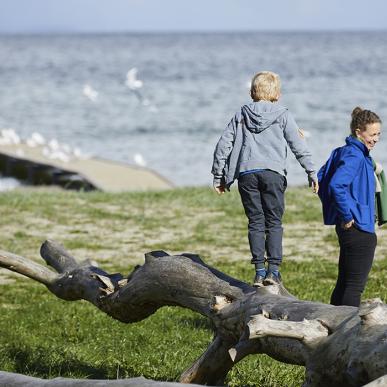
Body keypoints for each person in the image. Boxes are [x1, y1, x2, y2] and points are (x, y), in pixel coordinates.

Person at [211, 71, 318, 287]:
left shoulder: (241, 114)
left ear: (252, 92)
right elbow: (298, 145)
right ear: (277, 94)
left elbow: (224, 144)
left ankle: (259, 272)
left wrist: (218, 175)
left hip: (247, 174)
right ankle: (273, 271)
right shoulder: (283, 115)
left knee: (256, 222)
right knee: (274, 222)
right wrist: (311, 172)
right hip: (273, 174)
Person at [318, 107, 382, 307]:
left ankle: (333, 327)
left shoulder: (342, 152)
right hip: (358, 228)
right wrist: (346, 215)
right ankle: (348, 334)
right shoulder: (355, 155)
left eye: (379, 134)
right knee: (354, 287)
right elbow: (336, 184)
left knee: (344, 283)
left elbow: (321, 178)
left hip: (349, 227)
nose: (376, 139)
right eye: (372, 134)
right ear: (358, 132)